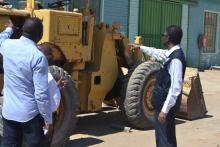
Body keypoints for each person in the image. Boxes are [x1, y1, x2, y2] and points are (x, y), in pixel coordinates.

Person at [130, 25, 186, 147]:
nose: (163, 37)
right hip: (161, 104)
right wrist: (140, 47)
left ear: (169, 38)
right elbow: (157, 52)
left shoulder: (176, 59)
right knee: (163, 139)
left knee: (166, 140)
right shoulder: (170, 54)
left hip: (165, 107)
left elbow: (175, 89)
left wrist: (164, 111)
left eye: (164, 35)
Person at [0, 18, 52, 147]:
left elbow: (1, 38)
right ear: (40, 35)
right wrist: (48, 120)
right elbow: (41, 94)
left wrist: (9, 29)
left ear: (23, 31)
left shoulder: (7, 45)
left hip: (9, 113)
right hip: (30, 117)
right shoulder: (38, 57)